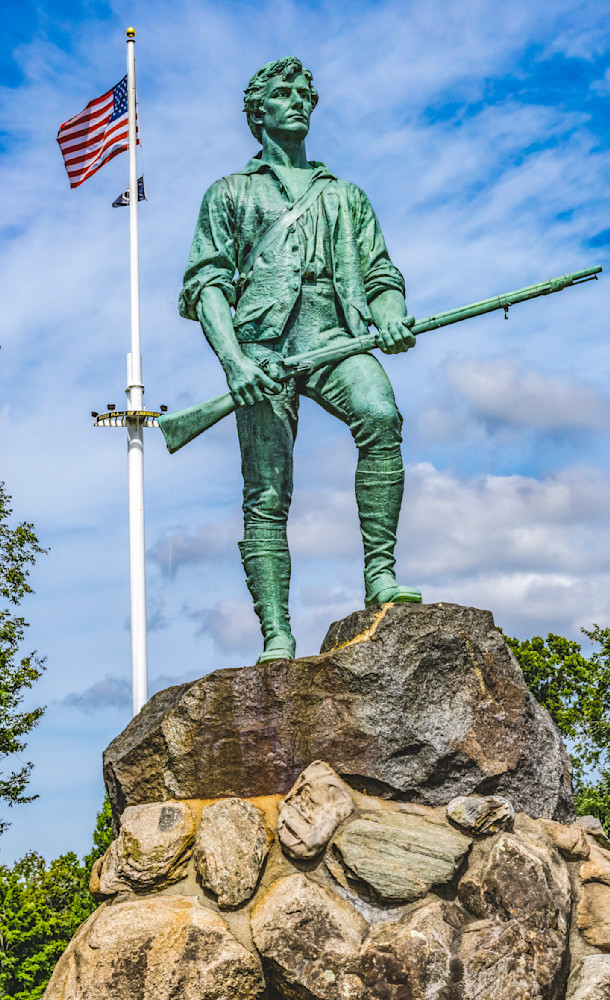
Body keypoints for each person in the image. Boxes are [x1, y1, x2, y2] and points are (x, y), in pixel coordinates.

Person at [179, 56, 421, 664]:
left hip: (334, 337)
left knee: (382, 415)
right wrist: (235, 363)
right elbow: (207, 285)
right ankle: (276, 633)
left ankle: (381, 576)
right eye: (283, 93)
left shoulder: (346, 195)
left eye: (304, 92)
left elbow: (379, 272)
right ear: (257, 111)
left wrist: (389, 308)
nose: (298, 100)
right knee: (265, 491)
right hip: (261, 351)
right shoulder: (229, 192)